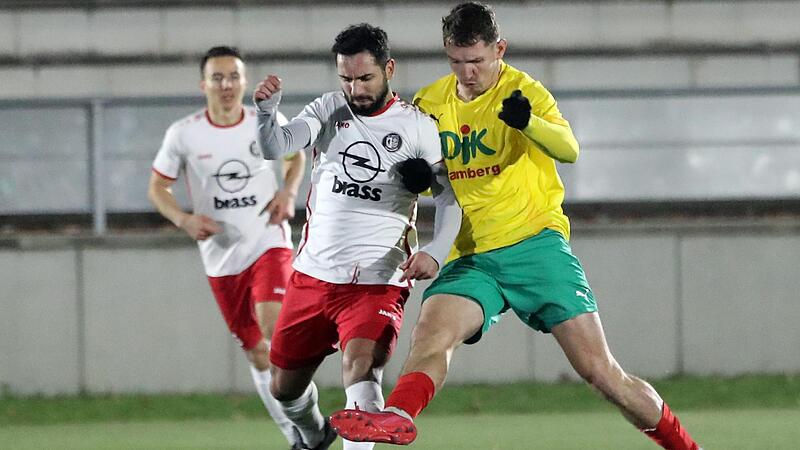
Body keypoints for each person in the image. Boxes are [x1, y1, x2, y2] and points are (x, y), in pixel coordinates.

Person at [330, 3, 702, 450]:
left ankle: (686, 446)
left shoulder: (524, 92)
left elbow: (568, 150)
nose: (467, 73)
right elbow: (436, 181)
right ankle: (397, 416)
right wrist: (417, 180)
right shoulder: (430, 103)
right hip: (472, 259)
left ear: (499, 50)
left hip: (534, 246)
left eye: (477, 62)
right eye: (456, 62)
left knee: (603, 375)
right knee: (431, 332)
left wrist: (529, 122)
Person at [252, 23, 462, 450]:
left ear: (389, 69)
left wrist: (436, 253)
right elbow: (278, 147)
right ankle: (314, 435)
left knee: (361, 367)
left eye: (365, 78)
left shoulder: (419, 127)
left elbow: (449, 199)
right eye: (346, 78)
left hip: (378, 279)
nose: (355, 88)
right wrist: (266, 113)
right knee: (283, 388)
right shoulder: (329, 108)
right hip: (313, 274)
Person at [147, 46, 306, 449]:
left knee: (275, 329)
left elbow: (295, 156)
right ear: (204, 85)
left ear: (244, 81)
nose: (227, 85)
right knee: (256, 352)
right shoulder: (184, 134)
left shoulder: (264, 121)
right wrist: (184, 219)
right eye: (217, 78)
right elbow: (158, 186)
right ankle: (297, 432)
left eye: (233, 76)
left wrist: (288, 193)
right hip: (221, 256)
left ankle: (310, 423)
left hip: (267, 240)